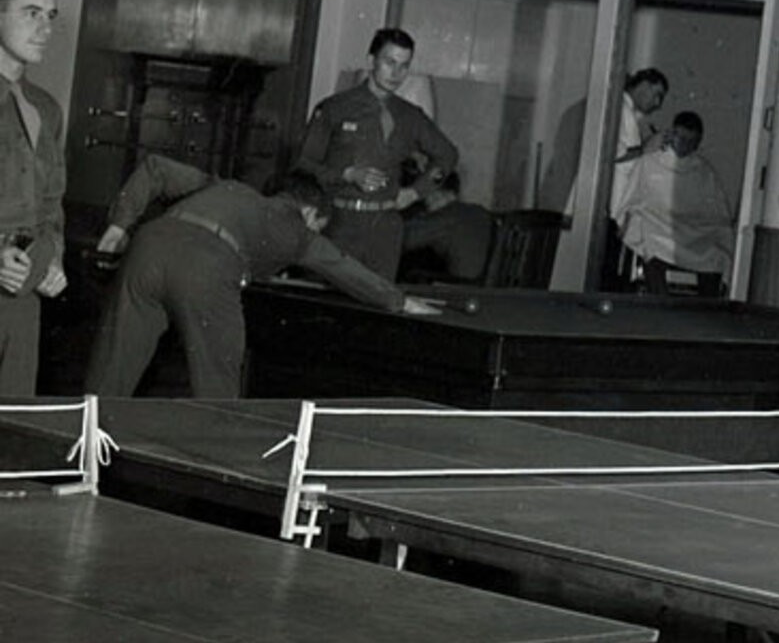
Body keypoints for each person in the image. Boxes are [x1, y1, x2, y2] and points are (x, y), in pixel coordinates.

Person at [86, 155, 442, 398]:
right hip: (206, 268)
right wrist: (398, 300)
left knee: (111, 374)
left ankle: (78, 456)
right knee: (217, 384)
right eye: (318, 226)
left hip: (148, 245)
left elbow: (154, 168)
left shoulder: (226, 187)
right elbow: (341, 265)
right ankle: (215, 466)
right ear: (309, 213)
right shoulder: (298, 229)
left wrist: (119, 225)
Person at [293, 28, 459, 280]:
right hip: (339, 223)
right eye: (389, 62)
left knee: (377, 299)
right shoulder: (335, 108)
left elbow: (447, 155)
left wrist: (416, 192)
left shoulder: (410, 116)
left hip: (385, 228)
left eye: (404, 66)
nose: (396, 73)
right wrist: (346, 175)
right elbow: (303, 164)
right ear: (371, 60)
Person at [0, 0, 66, 394]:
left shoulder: (45, 109)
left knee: (13, 418)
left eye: (50, 16)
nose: (45, 28)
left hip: (21, 294)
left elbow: (51, 204)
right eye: (31, 13)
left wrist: (53, 259)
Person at [614, 110, 736, 296]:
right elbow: (631, 200)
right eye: (682, 139)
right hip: (657, 226)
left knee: (715, 254)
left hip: (692, 231)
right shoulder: (650, 161)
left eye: (692, 142)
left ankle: (706, 307)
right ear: (672, 135)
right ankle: (659, 301)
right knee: (649, 242)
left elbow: (717, 213)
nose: (686, 146)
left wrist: (709, 227)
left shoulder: (704, 171)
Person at [605, 67, 668, 288]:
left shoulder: (628, 113)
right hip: (611, 201)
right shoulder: (620, 109)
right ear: (644, 85)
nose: (657, 104)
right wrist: (645, 149)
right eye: (657, 95)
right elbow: (613, 153)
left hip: (619, 203)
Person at [396, 171, 495, 284]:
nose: (426, 202)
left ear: (436, 194)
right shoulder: (478, 211)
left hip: (458, 285)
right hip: (484, 284)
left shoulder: (445, 216)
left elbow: (402, 239)